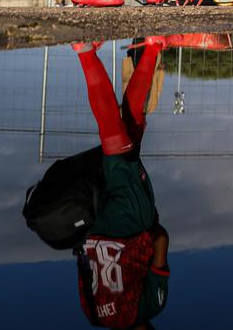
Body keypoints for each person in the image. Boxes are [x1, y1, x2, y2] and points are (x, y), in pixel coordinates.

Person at [72, 38, 170, 327]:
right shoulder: (93, 316)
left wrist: (150, 226)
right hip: (95, 226)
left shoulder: (150, 309)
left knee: (114, 134)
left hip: (131, 221)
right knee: (131, 130)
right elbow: (83, 270)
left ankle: (84, 51)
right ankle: (152, 47)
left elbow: (160, 239)